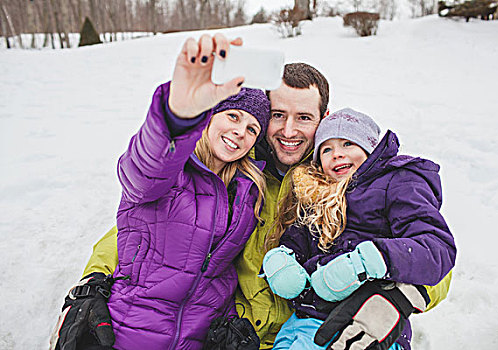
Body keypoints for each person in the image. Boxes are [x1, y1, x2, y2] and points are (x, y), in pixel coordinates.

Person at [51, 33, 453, 350]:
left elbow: (432, 248)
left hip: (324, 329)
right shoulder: (239, 172)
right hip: (233, 333)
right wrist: (94, 281)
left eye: (304, 118)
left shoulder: (346, 176)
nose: (289, 131)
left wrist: (401, 297)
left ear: (324, 118)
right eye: (277, 115)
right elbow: (145, 222)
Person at [50, 33, 270, 350]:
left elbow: (222, 272)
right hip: (129, 332)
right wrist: (177, 117)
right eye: (233, 116)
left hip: (197, 340)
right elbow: (141, 169)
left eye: (252, 128)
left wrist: (230, 325)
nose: (240, 131)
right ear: (209, 116)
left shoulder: (249, 191)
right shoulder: (171, 169)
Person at [262, 108, 457, 349]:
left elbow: (436, 248)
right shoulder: (315, 193)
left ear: (370, 148)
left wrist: (367, 261)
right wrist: (282, 259)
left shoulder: (397, 183)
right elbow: (299, 238)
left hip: (363, 325)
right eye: (326, 149)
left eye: (348, 144)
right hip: (301, 324)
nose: (337, 155)